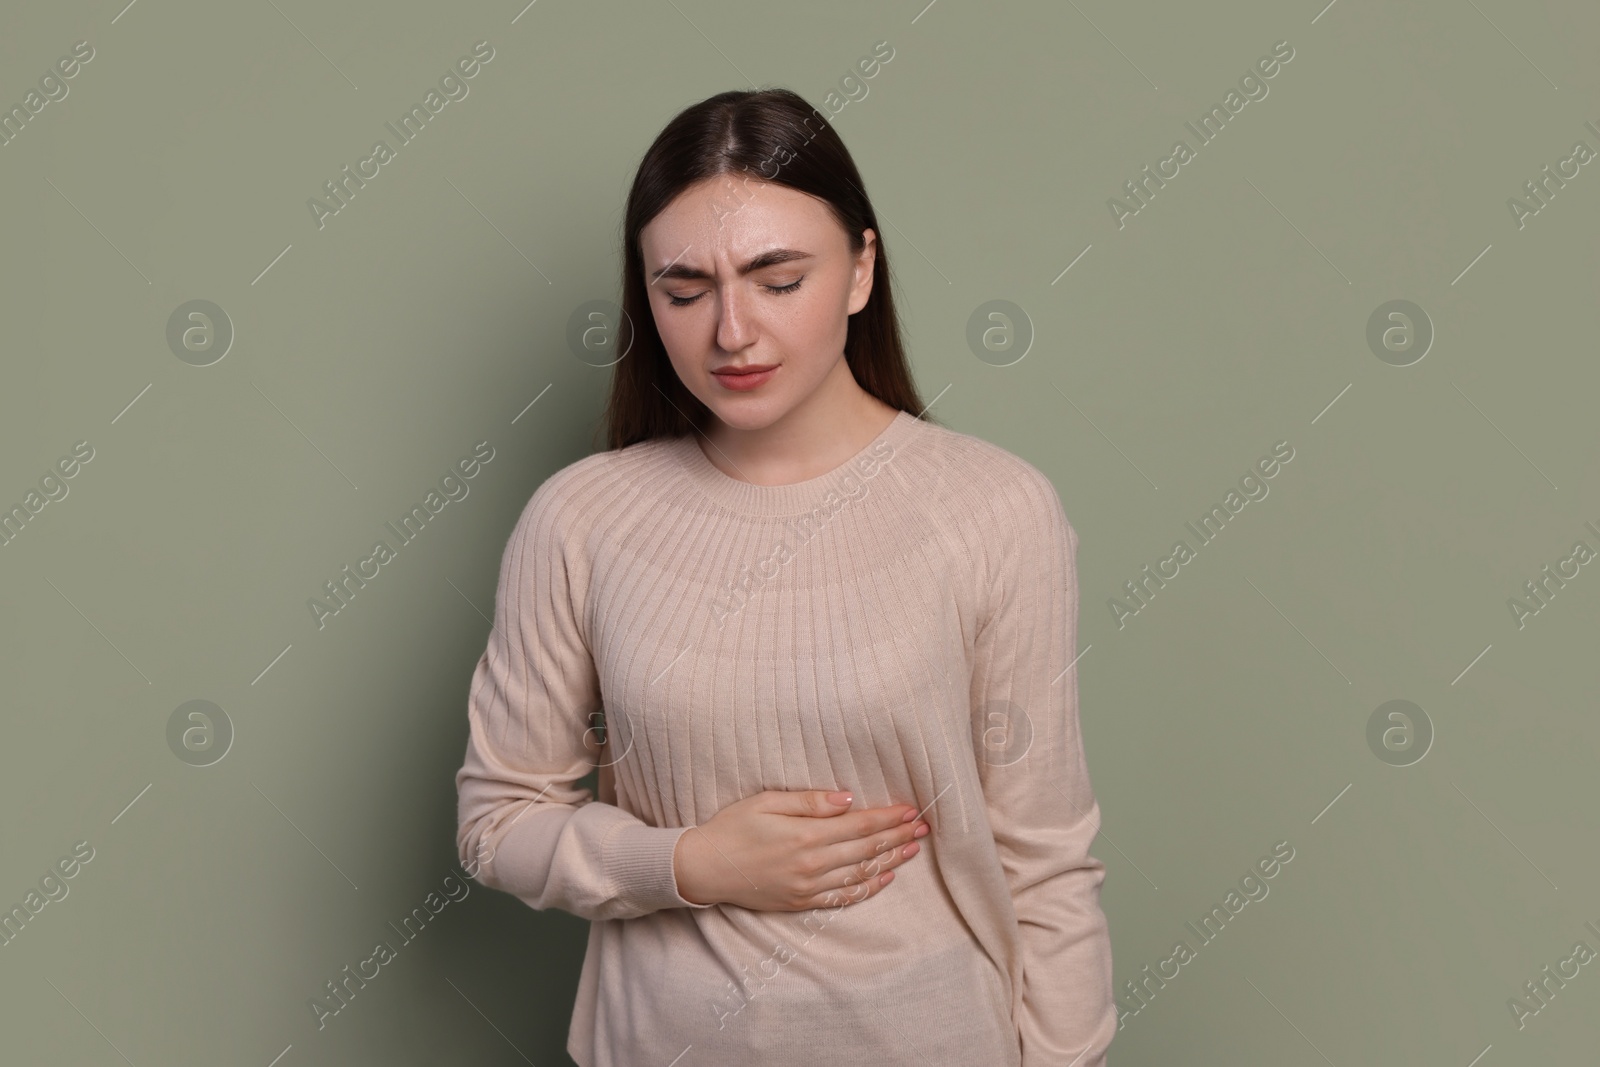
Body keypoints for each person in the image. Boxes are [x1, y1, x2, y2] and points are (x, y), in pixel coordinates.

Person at [454, 87, 1116, 1066]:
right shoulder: (579, 519)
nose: (732, 330)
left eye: (776, 278)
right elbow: (496, 819)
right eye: (684, 290)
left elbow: (1047, 859)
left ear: (859, 270)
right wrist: (688, 861)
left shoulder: (993, 508)